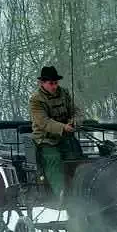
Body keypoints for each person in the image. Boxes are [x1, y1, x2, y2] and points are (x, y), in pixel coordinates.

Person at [29, 65, 84, 198]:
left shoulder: (64, 93)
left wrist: (74, 121)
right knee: (53, 159)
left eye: (56, 83)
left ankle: (80, 190)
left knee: (77, 158)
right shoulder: (36, 99)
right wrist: (63, 127)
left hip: (65, 137)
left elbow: (77, 111)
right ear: (42, 83)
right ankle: (61, 193)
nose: (54, 86)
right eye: (51, 83)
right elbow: (43, 122)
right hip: (45, 139)